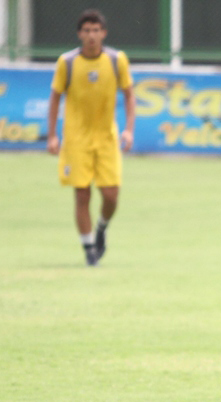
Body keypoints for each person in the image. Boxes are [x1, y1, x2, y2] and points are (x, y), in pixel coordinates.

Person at [47, 9, 135, 266]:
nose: (91, 35)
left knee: (111, 194)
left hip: (106, 138)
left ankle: (101, 228)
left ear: (103, 33)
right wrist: (52, 135)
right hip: (76, 139)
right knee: (82, 194)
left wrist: (129, 129)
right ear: (79, 34)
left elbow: (130, 95)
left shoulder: (116, 60)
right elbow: (55, 98)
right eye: (86, 30)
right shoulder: (67, 62)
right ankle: (89, 251)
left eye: (96, 30)